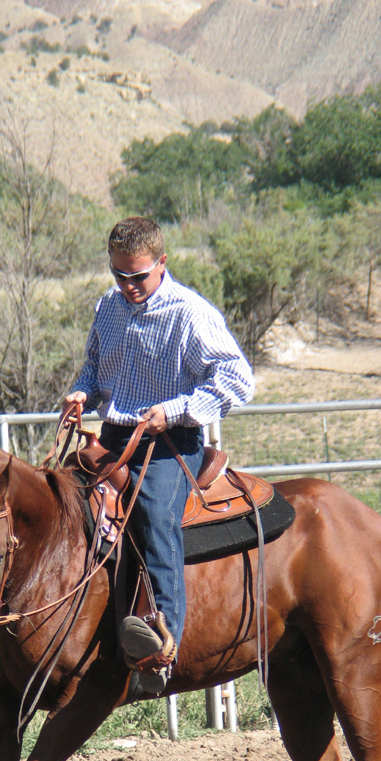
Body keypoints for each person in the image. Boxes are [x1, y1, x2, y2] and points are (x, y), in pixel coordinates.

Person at [64, 216, 254, 693]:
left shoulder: (190, 312)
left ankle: (162, 645)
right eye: (119, 275)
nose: (128, 286)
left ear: (162, 263)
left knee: (152, 515)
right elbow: (93, 366)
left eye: (138, 276)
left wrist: (175, 410)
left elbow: (238, 379)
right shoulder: (108, 306)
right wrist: (82, 394)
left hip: (172, 443)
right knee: (60, 499)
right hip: (113, 435)